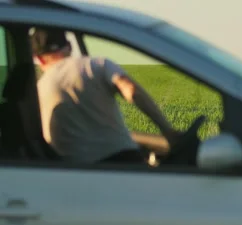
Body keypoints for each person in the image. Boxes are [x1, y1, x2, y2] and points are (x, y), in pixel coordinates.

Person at [30, 27, 183, 164]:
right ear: (69, 47)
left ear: (39, 59)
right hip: (124, 161)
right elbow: (132, 91)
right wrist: (168, 131)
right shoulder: (97, 65)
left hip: (76, 173)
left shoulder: (37, 90)